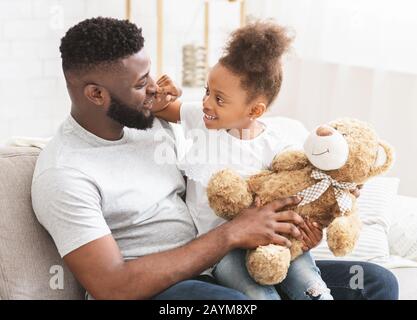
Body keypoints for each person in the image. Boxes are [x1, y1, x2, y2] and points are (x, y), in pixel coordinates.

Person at [31, 17, 398, 300]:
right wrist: (231, 234)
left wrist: (297, 220)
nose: (156, 88)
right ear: (96, 94)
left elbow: (233, 147)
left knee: (377, 283)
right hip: (159, 290)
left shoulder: (148, 123)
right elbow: (112, 285)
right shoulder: (65, 173)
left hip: (226, 262)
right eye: (141, 83)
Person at [152, 21, 335, 300]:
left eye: (219, 99)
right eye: (206, 92)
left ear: (255, 110)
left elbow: (302, 190)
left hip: (277, 243)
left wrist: (311, 232)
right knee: (258, 296)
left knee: (312, 288)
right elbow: (165, 108)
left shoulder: (276, 145)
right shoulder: (203, 121)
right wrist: (164, 92)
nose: (206, 103)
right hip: (222, 251)